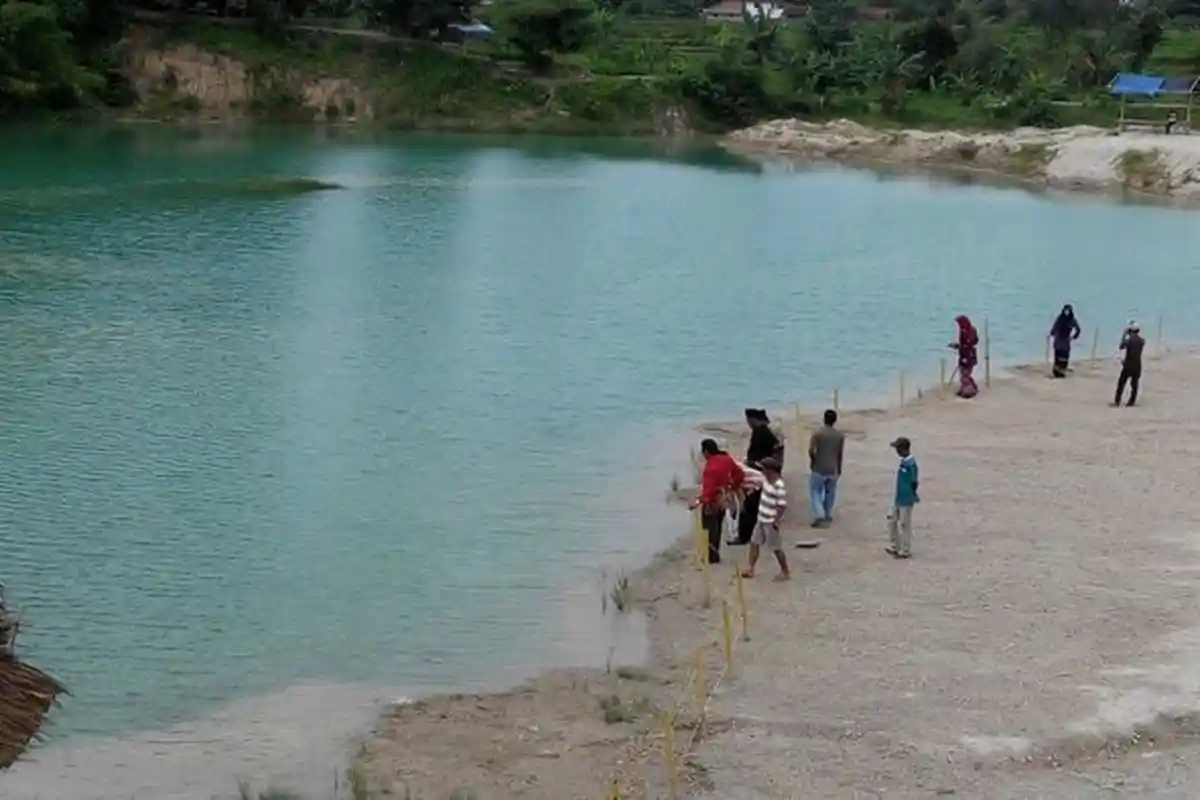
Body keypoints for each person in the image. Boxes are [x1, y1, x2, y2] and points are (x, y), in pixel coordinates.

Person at [689, 438, 744, 564]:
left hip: (712, 502)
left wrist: (697, 502)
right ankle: (715, 555)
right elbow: (739, 474)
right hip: (723, 499)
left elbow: (708, 491)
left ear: (707, 451)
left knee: (708, 529)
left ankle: (712, 557)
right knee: (717, 527)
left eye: (703, 451)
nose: (702, 454)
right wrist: (732, 487)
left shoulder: (710, 468)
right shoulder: (727, 459)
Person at [735, 409, 781, 546]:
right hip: (763, 469)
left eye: (749, 421)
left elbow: (756, 452)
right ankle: (755, 533)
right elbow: (777, 445)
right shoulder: (766, 431)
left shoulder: (759, 432)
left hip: (757, 470)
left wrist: (753, 463)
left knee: (749, 505)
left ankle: (744, 536)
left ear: (753, 419)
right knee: (757, 505)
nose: (748, 424)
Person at [741, 457, 790, 581]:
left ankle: (785, 571)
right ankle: (750, 568)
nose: (762, 471)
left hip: (770, 522)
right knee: (754, 543)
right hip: (761, 519)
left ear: (770, 470)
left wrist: (776, 520)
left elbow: (782, 505)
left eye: (764, 469)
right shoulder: (766, 481)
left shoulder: (779, 485)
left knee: (776, 548)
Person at [807, 409, 845, 528]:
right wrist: (839, 468)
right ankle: (827, 513)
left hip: (819, 467)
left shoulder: (817, 434)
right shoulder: (839, 435)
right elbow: (840, 453)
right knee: (830, 493)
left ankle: (820, 514)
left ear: (824, 419)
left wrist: (813, 461)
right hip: (832, 467)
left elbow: (811, 450)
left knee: (815, 492)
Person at [886, 437, 919, 559]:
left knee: (905, 524)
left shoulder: (911, 464)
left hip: (906, 498)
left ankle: (905, 550)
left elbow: (914, 481)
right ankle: (895, 546)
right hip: (899, 497)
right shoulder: (904, 462)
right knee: (892, 520)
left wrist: (910, 493)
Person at [1114, 321, 1145, 407]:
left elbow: (1121, 346)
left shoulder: (1129, 341)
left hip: (1128, 364)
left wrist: (1124, 335)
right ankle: (1131, 401)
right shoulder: (1142, 341)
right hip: (1137, 365)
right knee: (1134, 384)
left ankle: (1117, 401)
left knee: (1121, 383)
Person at [948, 315, 980, 399]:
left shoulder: (968, 332)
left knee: (964, 375)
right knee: (966, 374)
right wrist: (956, 346)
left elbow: (968, 345)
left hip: (968, 356)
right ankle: (971, 389)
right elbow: (966, 344)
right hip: (968, 355)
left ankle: (968, 392)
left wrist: (964, 357)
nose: (959, 325)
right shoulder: (968, 330)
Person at [1048, 304, 1081, 378]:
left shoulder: (1072, 320)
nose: (1066, 312)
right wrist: (1052, 333)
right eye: (1065, 310)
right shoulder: (1060, 318)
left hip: (1066, 340)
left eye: (1068, 311)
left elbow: (1078, 329)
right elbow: (1055, 327)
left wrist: (1074, 337)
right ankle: (1056, 372)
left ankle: (1062, 372)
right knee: (1057, 356)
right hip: (1058, 339)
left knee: (1064, 356)